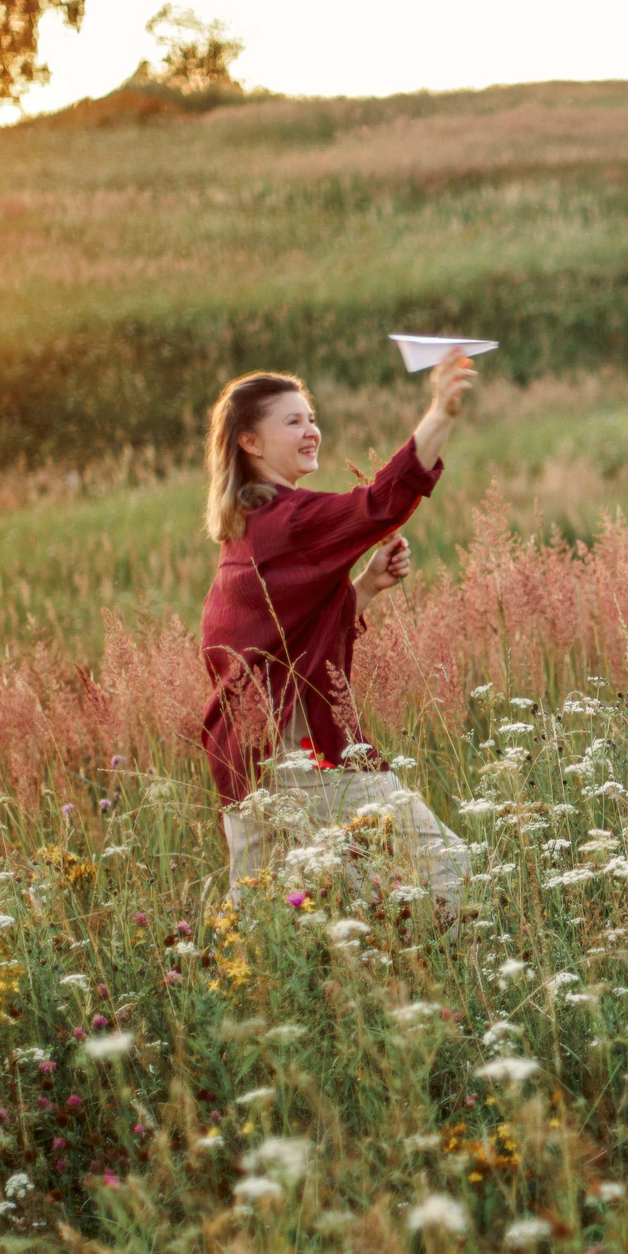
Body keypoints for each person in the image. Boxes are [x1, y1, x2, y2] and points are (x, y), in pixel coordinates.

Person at [198, 362, 478, 903]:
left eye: (311, 418)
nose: (311, 431)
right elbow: (380, 503)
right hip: (306, 754)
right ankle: (433, 973)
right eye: (293, 423)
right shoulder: (290, 520)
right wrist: (441, 412)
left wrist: (365, 588)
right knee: (454, 878)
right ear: (251, 441)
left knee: (267, 922)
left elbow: (284, 639)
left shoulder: (249, 527)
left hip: (248, 760)